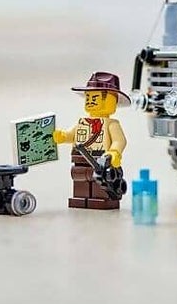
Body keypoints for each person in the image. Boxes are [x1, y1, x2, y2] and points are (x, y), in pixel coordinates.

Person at [55, 71, 129, 211]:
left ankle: (100, 198)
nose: (90, 101)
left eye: (95, 97)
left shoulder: (112, 124)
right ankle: (81, 198)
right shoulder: (83, 122)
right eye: (88, 97)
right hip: (79, 158)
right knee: (79, 178)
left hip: (100, 160)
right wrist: (63, 136)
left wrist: (114, 152)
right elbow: (71, 135)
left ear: (110, 100)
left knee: (99, 182)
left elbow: (120, 141)